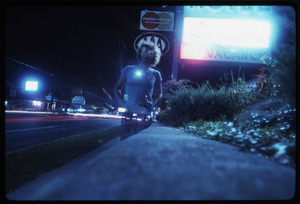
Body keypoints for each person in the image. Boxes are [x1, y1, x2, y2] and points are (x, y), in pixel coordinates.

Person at [114, 40, 163, 141]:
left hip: (145, 112)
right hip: (128, 112)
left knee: (141, 142)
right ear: (140, 52)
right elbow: (116, 88)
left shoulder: (156, 74)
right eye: (144, 51)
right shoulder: (128, 70)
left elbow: (159, 93)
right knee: (125, 141)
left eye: (149, 52)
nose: (146, 54)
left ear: (154, 56)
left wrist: (152, 104)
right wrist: (122, 104)